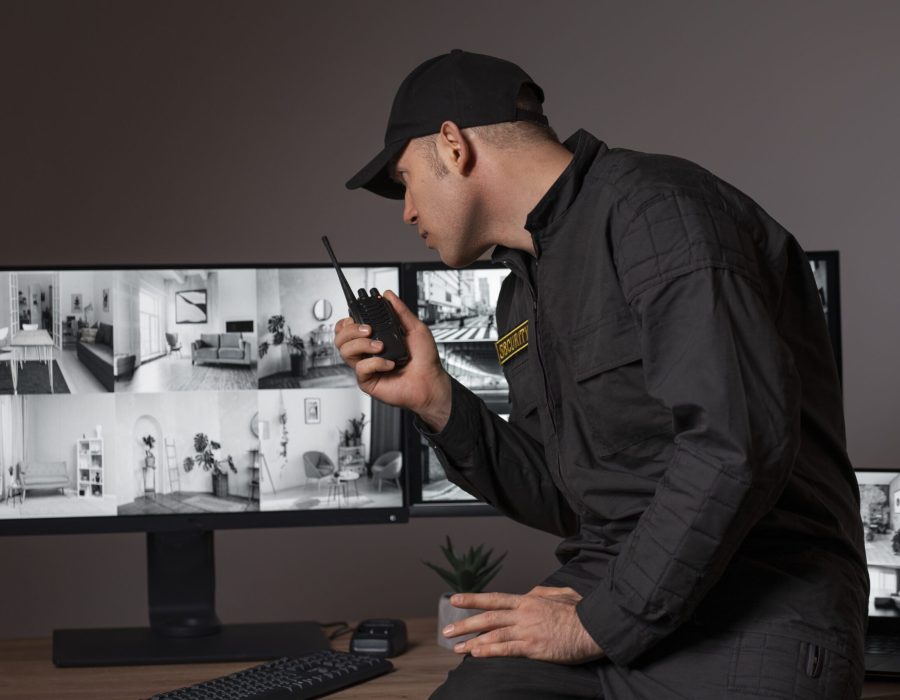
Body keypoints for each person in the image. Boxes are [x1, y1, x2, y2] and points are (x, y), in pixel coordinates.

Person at [338, 49, 867, 698]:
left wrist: (599, 623)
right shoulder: (520, 296)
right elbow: (569, 499)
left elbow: (737, 445)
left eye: (404, 179)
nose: (407, 212)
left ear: (453, 146)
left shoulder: (657, 211)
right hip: (608, 598)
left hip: (757, 607)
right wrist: (437, 401)